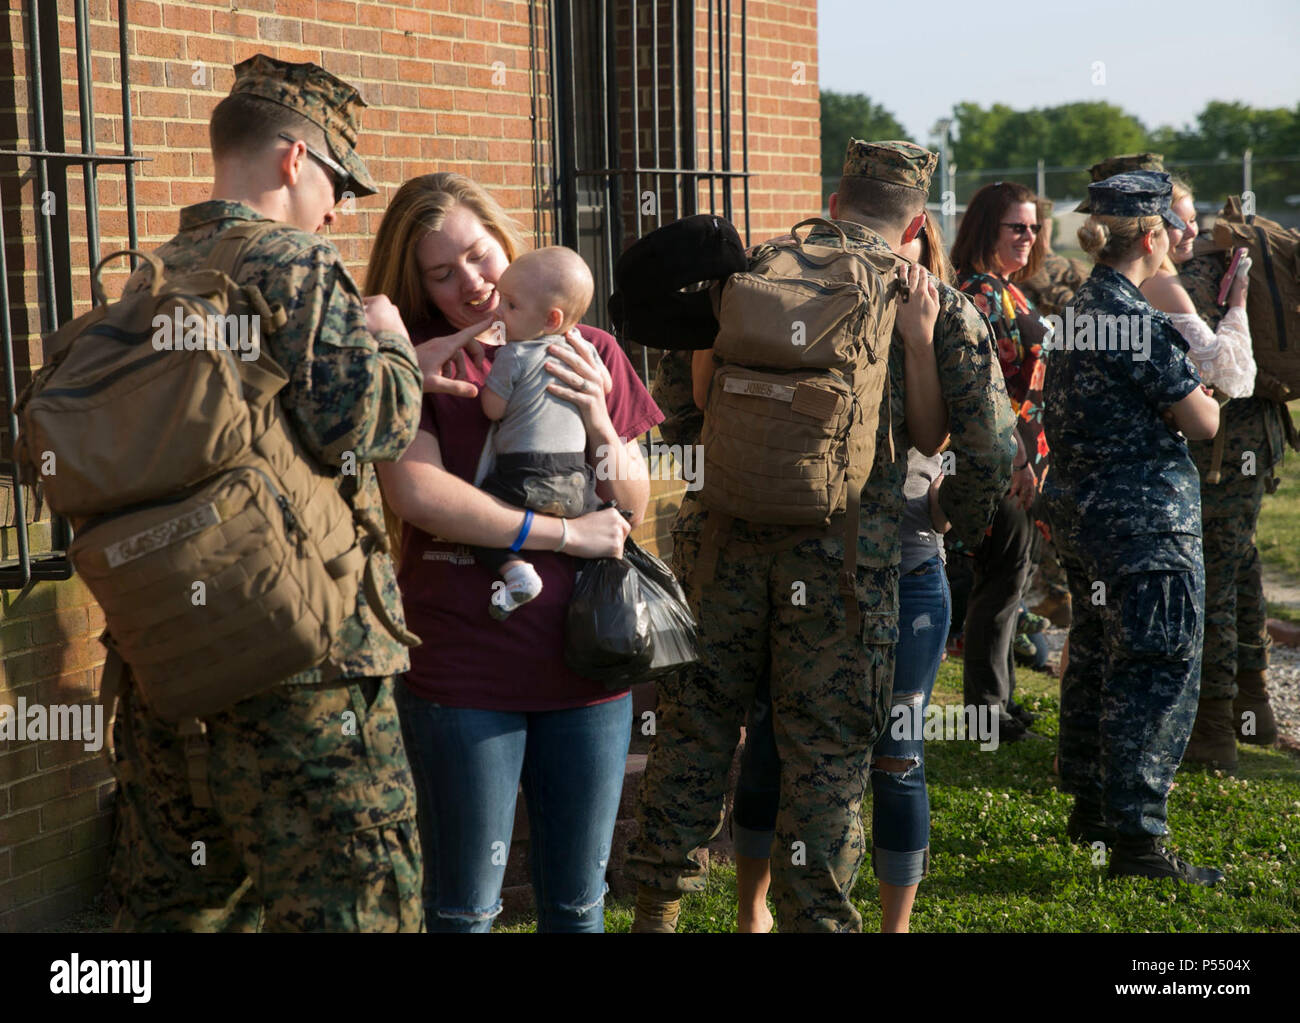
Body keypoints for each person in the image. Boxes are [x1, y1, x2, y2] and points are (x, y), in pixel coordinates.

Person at [626, 140, 1016, 933]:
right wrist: (958, 524)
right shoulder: (931, 300)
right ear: (913, 223)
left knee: (694, 736)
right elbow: (991, 449)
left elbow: (675, 402)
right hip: (846, 568)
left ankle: (656, 910)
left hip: (721, 550)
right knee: (828, 763)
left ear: (834, 202)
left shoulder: (752, 276)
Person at [107, 55, 431, 931]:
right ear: (293, 159)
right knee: (356, 902)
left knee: (186, 907)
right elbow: (367, 426)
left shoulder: (150, 274)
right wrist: (392, 342)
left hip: (173, 651)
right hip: (308, 658)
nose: (340, 209)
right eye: (337, 182)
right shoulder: (292, 261)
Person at [366, 172, 662, 932]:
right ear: (418, 284)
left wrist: (598, 416)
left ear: (505, 241)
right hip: (465, 668)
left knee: (577, 902)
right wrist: (562, 534)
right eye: (442, 272)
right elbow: (421, 497)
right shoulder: (415, 362)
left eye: (478, 254)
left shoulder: (591, 347)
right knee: (465, 908)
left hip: (588, 660)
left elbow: (631, 501)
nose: (471, 281)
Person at [1042, 169, 1224, 884]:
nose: (1180, 238)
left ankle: (1091, 808)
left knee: (1096, 659)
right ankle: (1138, 844)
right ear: (1150, 236)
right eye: (1172, 229)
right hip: (1147, 526)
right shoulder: (1136, 320)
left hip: (1087, 521)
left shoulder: (1081, 309)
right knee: (1154, 671)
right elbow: (1203, 420)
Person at [1144, 178, 1292, 771]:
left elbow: (1221, 373)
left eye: (1186, 221)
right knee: (1242, 570)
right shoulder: (1229, 261)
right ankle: (1255, 716)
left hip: (1222, 459)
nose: (1187, 232)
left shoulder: (1192, 281)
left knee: (1216, 589)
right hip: (1256, 447)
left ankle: (1214, 738)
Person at [950, 181, 1053, 741]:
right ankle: (986, 715)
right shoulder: (980, 294)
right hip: (1001, 464)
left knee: (1009, 584)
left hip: (1023, 462)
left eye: (1034, 227)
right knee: (999, 585)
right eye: (1017, 227)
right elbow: (981, 389)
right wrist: (1016, 460)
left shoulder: (1006, 289)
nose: (1029, 236)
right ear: (987, 228)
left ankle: (1002, 705)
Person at [470, 247, 610, 619]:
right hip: (577, 481)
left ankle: (516, 575)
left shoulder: (514, 355)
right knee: (601, 519)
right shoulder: (585, 350)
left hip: (524, 474)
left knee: (478, 520)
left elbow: (492, 409)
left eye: (512, 305)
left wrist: (490, 377)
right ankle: (591, 584)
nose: (499, 310)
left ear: (551, 318)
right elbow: (605, 386)